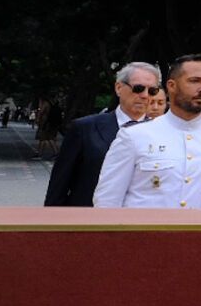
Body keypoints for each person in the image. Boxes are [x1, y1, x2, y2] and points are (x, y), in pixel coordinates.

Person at [95, 56, 201, 213]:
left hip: (196, 243)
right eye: (194, 81)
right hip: (141, 243)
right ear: (171, 86)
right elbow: (107, 200)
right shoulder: (134, 136)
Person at [45, 62, 161, 206]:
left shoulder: (161, 133)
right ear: (119, 88)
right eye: (138, 88)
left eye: (152, 91)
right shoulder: (85, 128)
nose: (145, 96)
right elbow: (59, 184)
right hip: (89, 219)